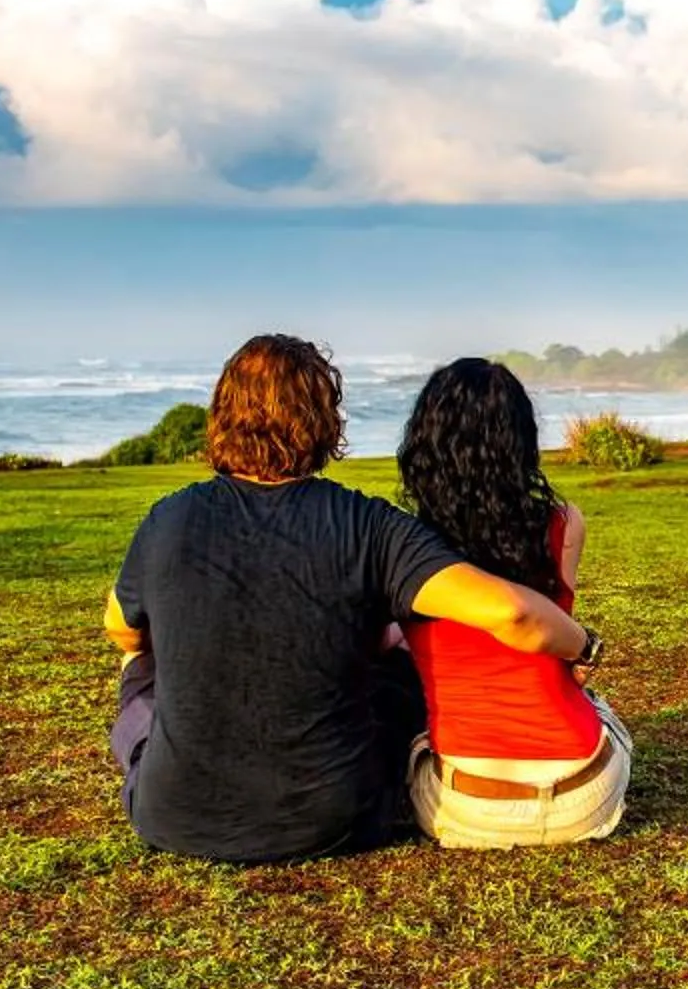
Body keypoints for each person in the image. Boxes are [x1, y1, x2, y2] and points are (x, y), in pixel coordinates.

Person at [103, 334, 598, 866]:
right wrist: (585, 645)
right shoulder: (371, 527)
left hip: (174, 818)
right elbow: (510, 610)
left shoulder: (167, 520)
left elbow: (121, 628)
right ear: (324, 419)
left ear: (222, 412)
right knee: (396, 668)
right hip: (334, 821)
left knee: (142, 665)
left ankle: (167, 755)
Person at [393, 357, 632, 849]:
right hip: (583, 796)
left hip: (469, 809)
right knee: (602, 712)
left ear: (424, 442)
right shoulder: (563, 524)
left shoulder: (403, 545)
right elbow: (551, 626)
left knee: (411, 738)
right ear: (521, 440)